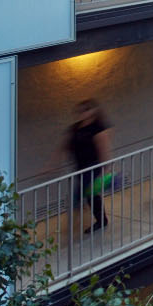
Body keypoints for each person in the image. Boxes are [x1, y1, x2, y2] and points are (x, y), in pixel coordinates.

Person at [66, 99, 112, 234]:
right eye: (81, 110)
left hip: (93, 166)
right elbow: (65, 146)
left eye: (86, 110)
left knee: (88, 195)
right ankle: (87, 219)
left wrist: (106, 169)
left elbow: (104, 148)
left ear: (93, 112)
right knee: (85, 195)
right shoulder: (75, 128)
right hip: (80, 167)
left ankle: (101, 221)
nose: (83, 113)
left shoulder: (97, 128)